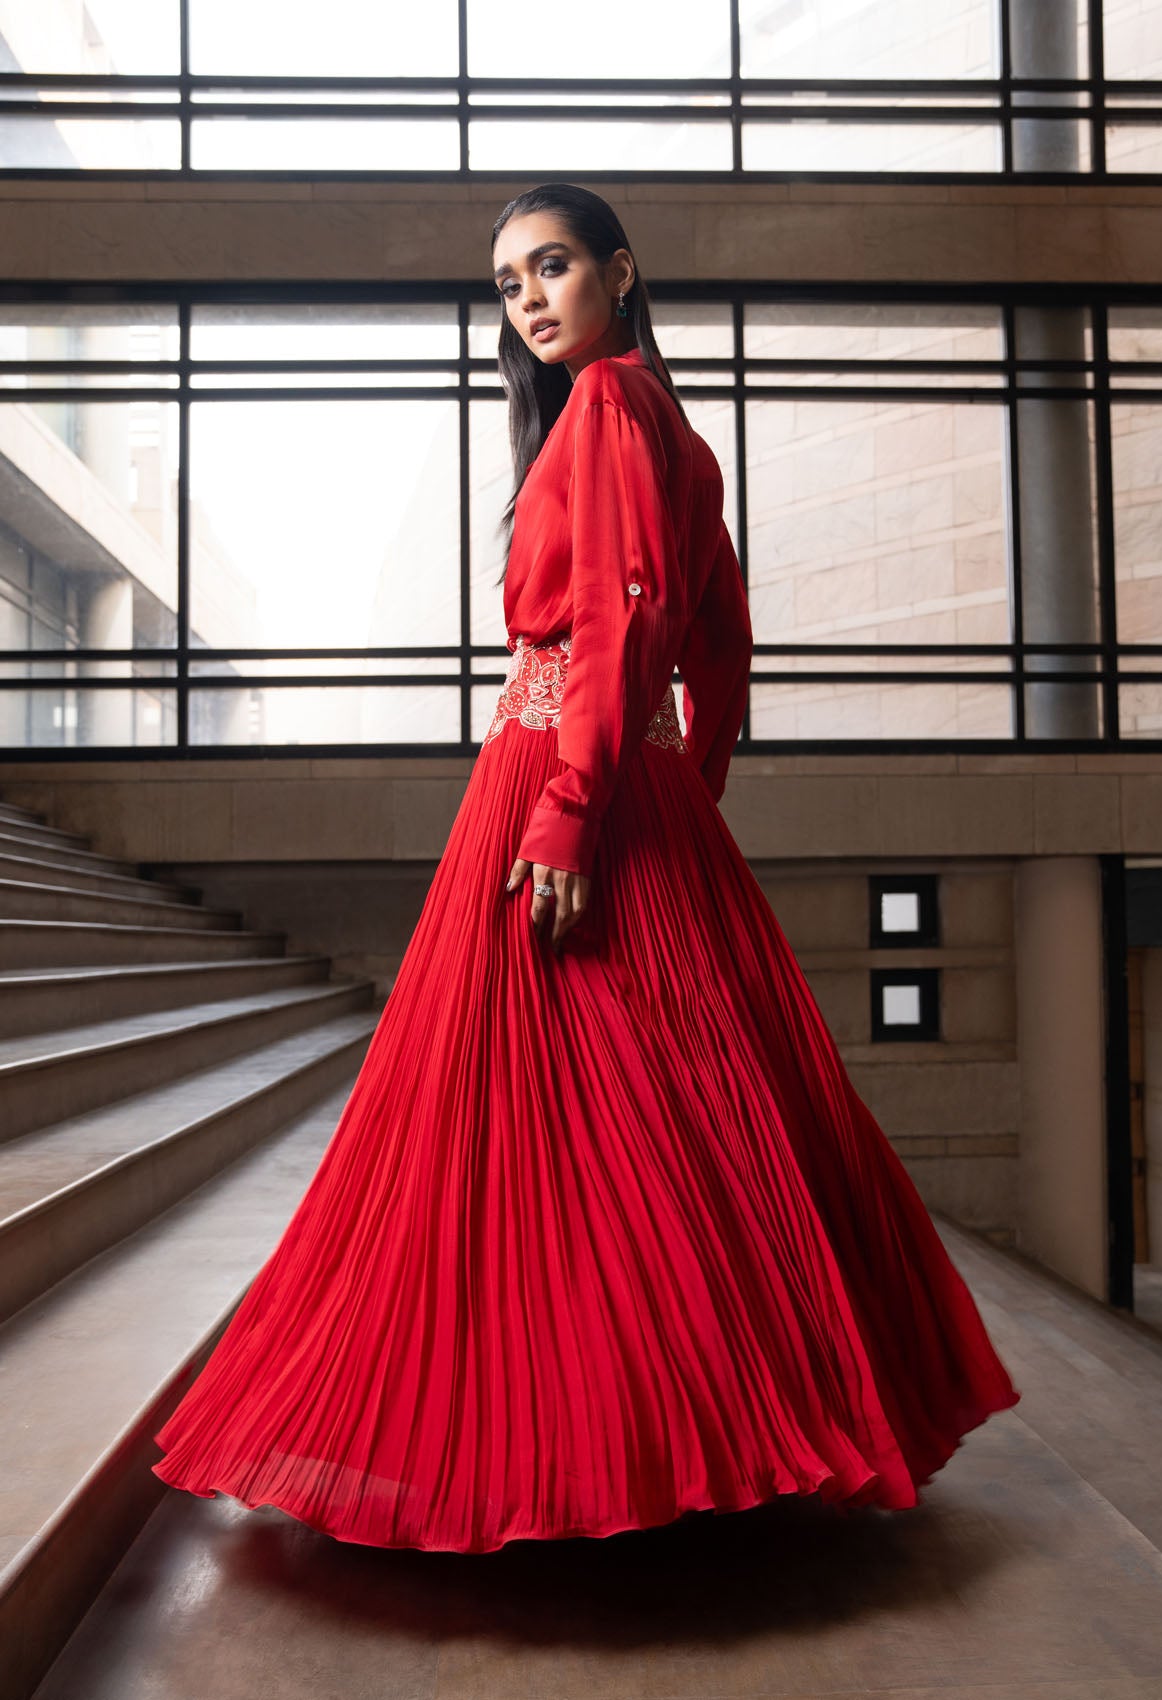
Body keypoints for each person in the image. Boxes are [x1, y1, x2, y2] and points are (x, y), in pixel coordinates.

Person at [151, 183, 1020, 1553]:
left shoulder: (609, 410)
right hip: (631, 776)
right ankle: (692, 1431)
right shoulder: (672, 426)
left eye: (552, 266)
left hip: (562, 773)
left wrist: (570, 811)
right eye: (508, 285)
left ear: (619, 271)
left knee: (519, 1122)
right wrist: (683, 785)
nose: (532, 298)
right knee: (669, 1122)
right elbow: (721, 637)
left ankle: (593, 1448)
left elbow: (618, 624)